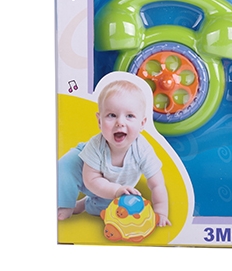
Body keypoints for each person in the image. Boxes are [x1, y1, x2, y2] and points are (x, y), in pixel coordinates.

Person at [57, 77, 170, 226]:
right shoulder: (96, 145)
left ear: (142, 123)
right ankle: (65, 204)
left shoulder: (142, 150)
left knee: (109, 211)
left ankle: (84, 204)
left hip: (116, 186)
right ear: (99, 121)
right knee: (66, 166)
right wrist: (115, 190)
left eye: (130, 116)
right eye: (112, 115)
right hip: (86, 171)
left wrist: (161, 212)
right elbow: (91, 180)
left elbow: (157, 184)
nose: (120, 122)